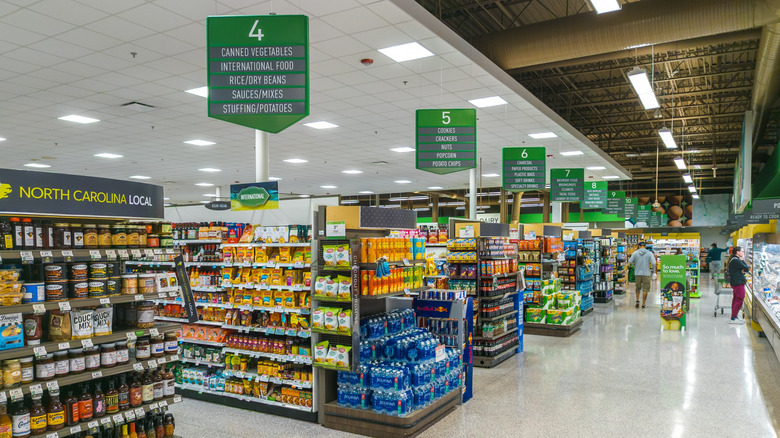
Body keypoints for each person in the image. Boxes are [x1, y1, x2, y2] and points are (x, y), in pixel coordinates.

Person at [628, 242, 657, 309]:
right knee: (645, 289)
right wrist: (653, 272)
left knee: (637, 288)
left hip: (637, 273)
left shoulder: (635, 253)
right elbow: (654, 263)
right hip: (646, 274)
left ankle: (637, 301)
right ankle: (643, 304)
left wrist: (633, 264)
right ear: (645, 246)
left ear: (639, 246)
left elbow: (630, 261)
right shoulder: (649, 253)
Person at [727, 246, 750, 324]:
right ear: (738, 252)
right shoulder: (736, 260)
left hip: (735, 282)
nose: (743, 253)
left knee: (736, 298)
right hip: (738, 282)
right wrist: (743, 260)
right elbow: (746, 268)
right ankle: (733, 318)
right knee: (740, 298)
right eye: (742, 251)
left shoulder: (734, 260)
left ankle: (734, 315)